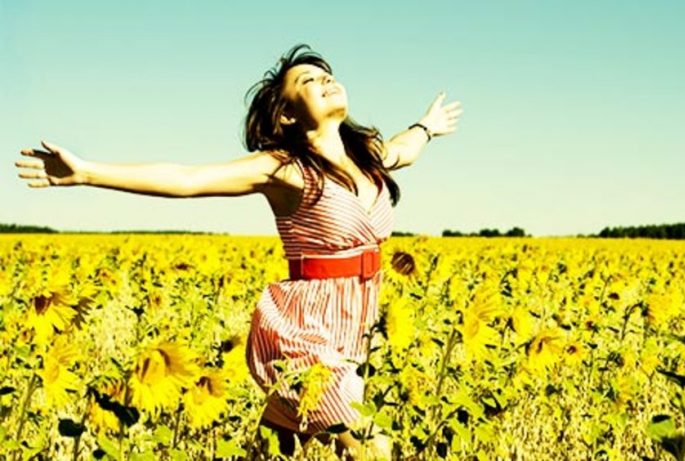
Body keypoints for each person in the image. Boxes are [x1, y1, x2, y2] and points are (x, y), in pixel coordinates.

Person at [14, 43, 461, 459]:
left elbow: (404, 148)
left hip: (355, 327)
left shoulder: (367, 156)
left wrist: (427, 127)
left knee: (277, 447)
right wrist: (88, 173)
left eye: (327, 75)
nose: (325, 80)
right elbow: (188, 179)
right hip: (306, 331)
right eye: (308, 80)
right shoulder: (284, 169)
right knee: (371, 445)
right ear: (286, 114)